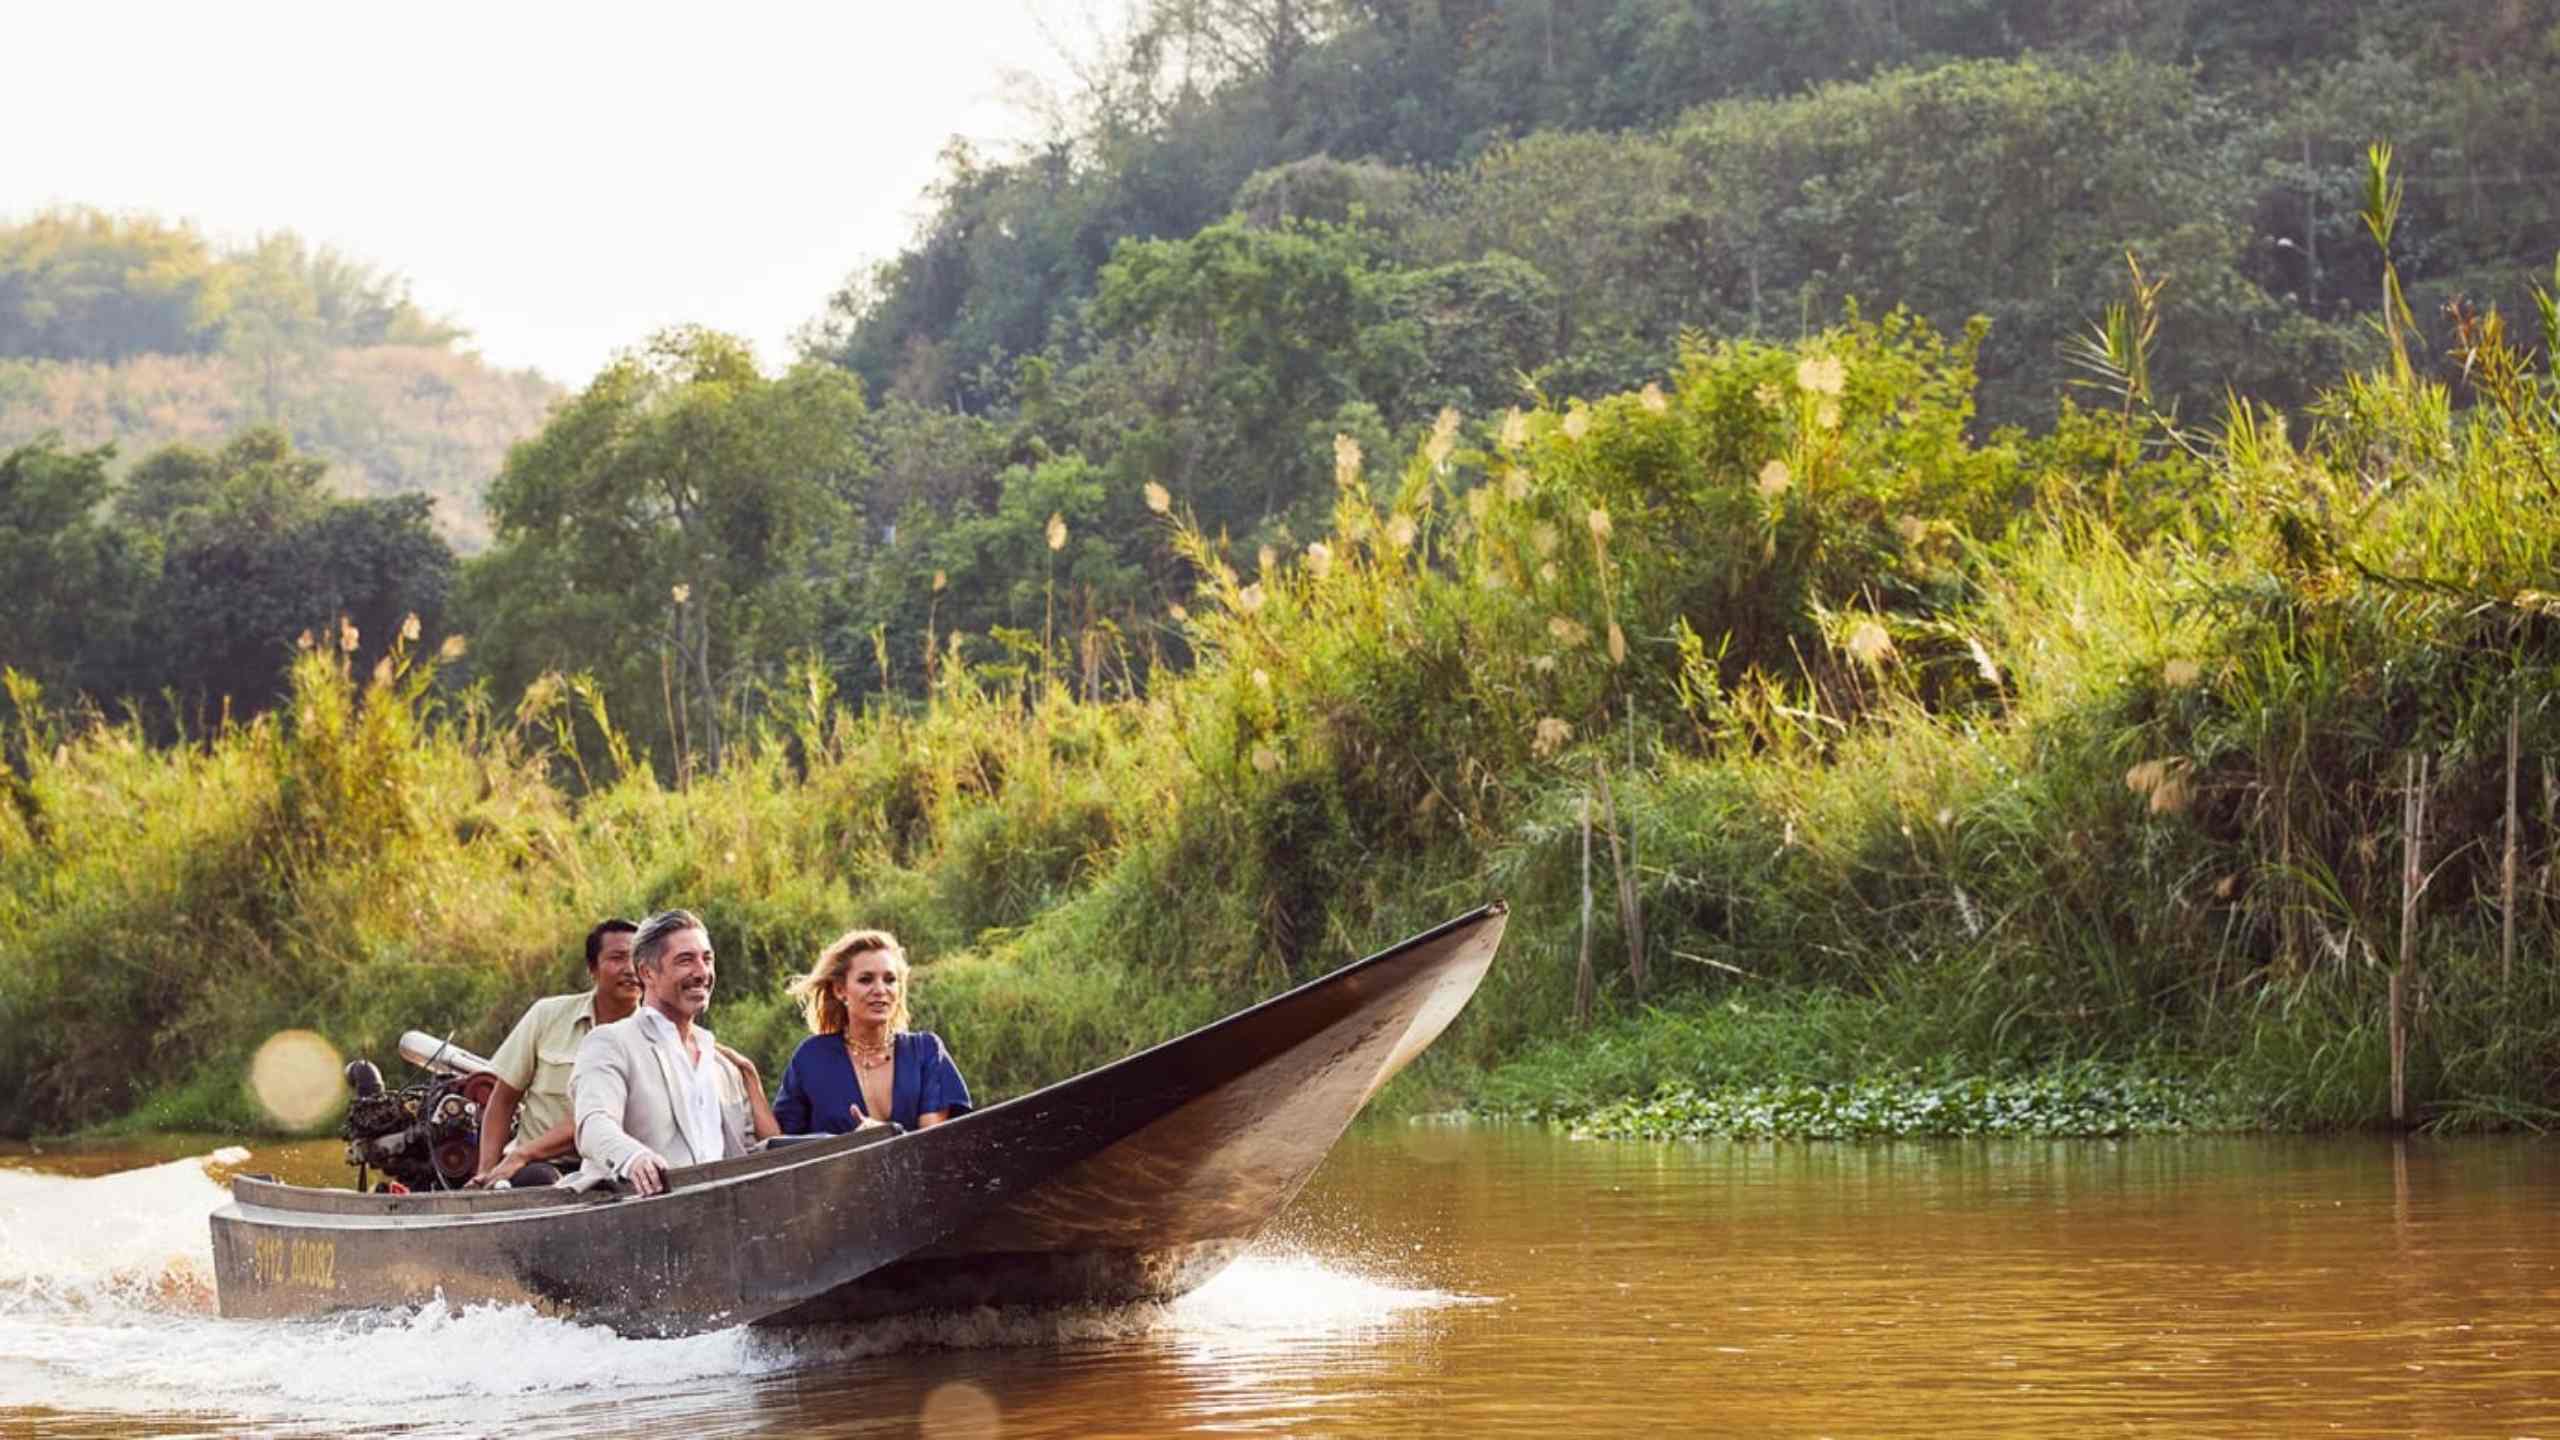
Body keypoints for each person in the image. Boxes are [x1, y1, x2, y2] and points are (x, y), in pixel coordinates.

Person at [570, 908, 781, 1196]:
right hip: (635, 1220)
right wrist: (634, 1158)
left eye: (707, 959)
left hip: (717, 1223)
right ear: (647, 973)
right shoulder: (610, 1042)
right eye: (685, 961)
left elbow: (745, 1153)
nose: (702, 972)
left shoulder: (722, 1065)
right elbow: (594, 1126)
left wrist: (849, 1144)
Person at [469, 918, 640, 1188]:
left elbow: (586, 1122)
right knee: (540, 1180)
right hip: (537, 1169)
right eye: (617, 958)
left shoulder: (652, 1037)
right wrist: (487, 1172)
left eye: (638, 959)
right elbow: (503, 1100)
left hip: (615, 1167)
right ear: (592, 969)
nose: (630, 969)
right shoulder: (547, 1015)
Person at [773, 928, 971, 1135]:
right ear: (840, 990)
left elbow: (934, 1143)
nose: (880, 989)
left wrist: (885, 1134)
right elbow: (782, 1145)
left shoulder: (926, 1051)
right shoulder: (811, 1057)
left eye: (890, 980)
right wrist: (751, 1079)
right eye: (866, 979)